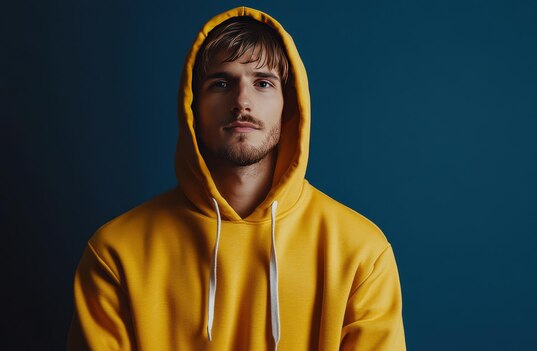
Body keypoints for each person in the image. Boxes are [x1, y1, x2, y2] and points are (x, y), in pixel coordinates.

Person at [67, 6, 406, 351]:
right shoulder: (116, 253)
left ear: (288, 105)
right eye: (221, 83)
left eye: (262, 83)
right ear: (192, 106)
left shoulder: (361, 253)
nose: (242, 101)